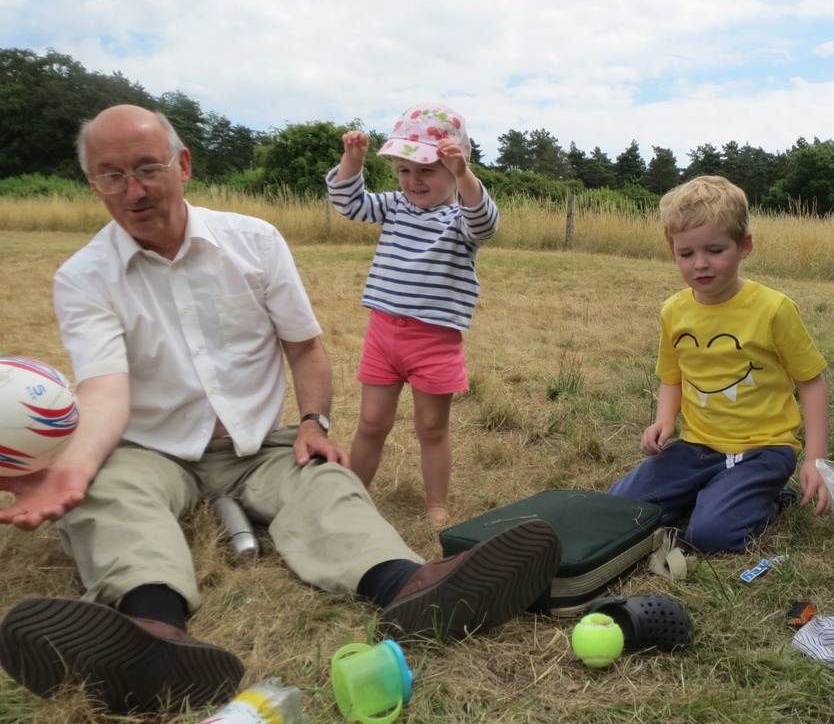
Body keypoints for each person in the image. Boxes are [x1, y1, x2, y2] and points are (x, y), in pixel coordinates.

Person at [0, 105, 561, 716]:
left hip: (260, 443)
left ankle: (411, 585)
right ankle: (152, 632)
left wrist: (315, 422)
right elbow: (105, 387)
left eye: (147, 168)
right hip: (151, 450)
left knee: (325, 482)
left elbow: (305, 349)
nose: (132, 190)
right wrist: (74, 470)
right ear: (94, 185)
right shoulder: (82, 277)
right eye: (111, 175)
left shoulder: (254, 242)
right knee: (108, 496)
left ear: (182, 166)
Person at [608, 176, 831, 553]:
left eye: (714, 250)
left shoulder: (774, 308)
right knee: (620, 512)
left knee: (710, 536)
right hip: (697, 446)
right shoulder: (674, 311)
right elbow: (671, 376)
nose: (700, 265)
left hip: (765, 449)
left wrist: (815, 460)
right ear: (672, 251)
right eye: (686, 254)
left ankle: (774, 498)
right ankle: (712, 492)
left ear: (744, 246)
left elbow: (811, 382)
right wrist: (664, 421)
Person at [326, 103, 498, 526]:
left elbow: (485, 222)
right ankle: (353, 493)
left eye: (426, 171)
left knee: (431, 427)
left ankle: (436, 503)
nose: (413, 182)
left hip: (434, 341)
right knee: (370, 421)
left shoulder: (459, 220)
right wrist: (353, 160)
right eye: (404, 170)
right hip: (384, 334)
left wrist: (464, 176)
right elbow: (348, 203)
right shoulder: (394, 207)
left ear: (453, 171)